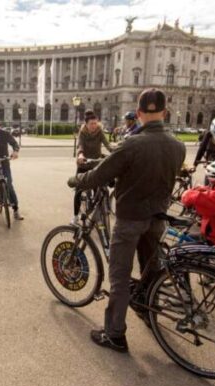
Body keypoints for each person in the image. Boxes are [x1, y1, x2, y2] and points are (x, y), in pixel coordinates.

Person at [67, 88, 185, 353]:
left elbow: (100, 175)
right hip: (158, 218)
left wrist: (76, 180)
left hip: (131, 217)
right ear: (164, 113)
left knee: (119, 276)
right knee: (151, 268)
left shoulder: (133, 144)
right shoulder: (177, 146)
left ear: (140, 113)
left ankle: (114, 334)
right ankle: (147, 307)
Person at [73, 110, 113, 224]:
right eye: (91, 123)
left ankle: (97, 212)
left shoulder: (100, 132)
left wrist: (114, 150)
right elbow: (80, 145)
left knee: (98, 188)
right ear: (86, 124)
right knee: (78, 189)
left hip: (96, 162)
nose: (94, 126)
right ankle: (75, 216)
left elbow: (106, 143)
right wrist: (80, 155)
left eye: (96, 123)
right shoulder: (83, 132)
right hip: (84, 162)